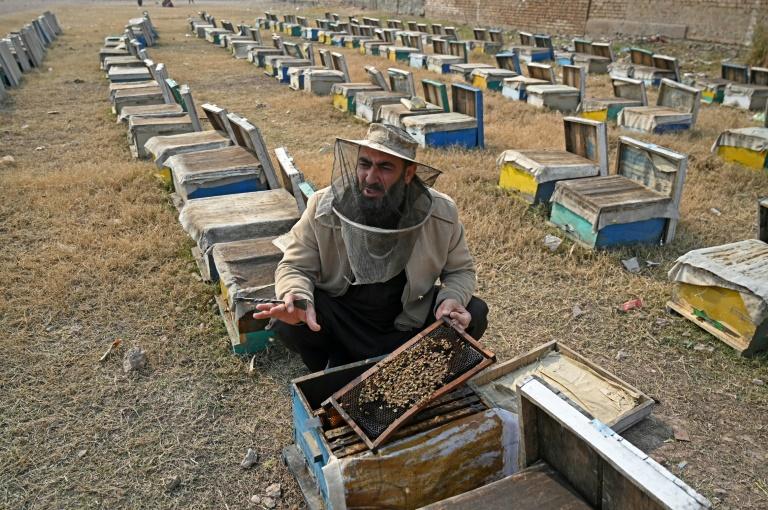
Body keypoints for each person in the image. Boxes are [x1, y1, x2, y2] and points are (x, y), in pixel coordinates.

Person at [254, 123, 488, 371]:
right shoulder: (322, 206)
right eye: (365, 164)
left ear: (408, 174)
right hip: (344, 319)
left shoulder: (441, 212)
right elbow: (295, 266)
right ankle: (335, 366)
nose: (370, 177)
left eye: (385, 167)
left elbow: (460, 270)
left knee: (475, 311)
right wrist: (297, 295)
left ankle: (415, 368)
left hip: (407, 320)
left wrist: (451, 299)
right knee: (290, 319)